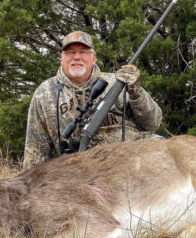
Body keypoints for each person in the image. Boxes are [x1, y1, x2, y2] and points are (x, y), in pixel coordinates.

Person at [23, 31, 163, 169]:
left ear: (94, 58)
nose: (77, 57)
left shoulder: (119, 81)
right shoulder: (44, 93)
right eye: (70, 52)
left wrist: (135, 91)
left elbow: (153, 123)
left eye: (83, 52)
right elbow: (35, 152)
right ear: (61, 58)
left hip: (131, 159)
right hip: (80, 169)